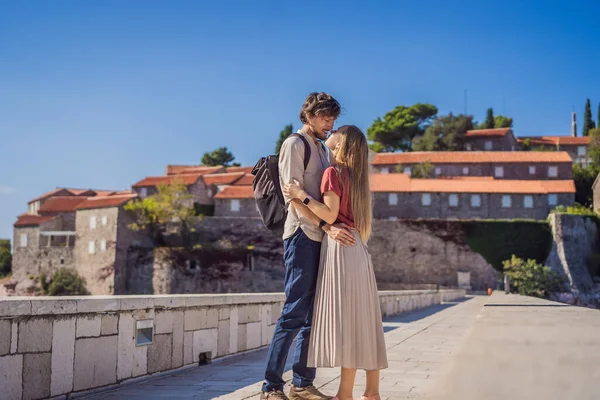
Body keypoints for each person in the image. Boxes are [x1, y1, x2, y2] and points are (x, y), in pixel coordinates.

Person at [261, 92, 356, 400]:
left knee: (314, 315)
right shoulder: (295, 144)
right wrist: (328, 226)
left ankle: (302, 384)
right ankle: (271, 387)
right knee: (293, 312)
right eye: (325, 117)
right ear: (309, 116)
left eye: (333, 119)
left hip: (320, 237)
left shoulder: (321, 149)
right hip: (302, 234)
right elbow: (293, 196)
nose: (330, 124)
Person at [283, 125, 388, 400]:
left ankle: (346, 395)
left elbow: (329, 216)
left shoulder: (334, 172)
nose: (333, 130)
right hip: (358, 249)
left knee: (349, 322)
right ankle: (371, 392)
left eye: (338, 130)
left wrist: (300, 195)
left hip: (340, 248)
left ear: (342, 143)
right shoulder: (359, 178)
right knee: (364, 320)